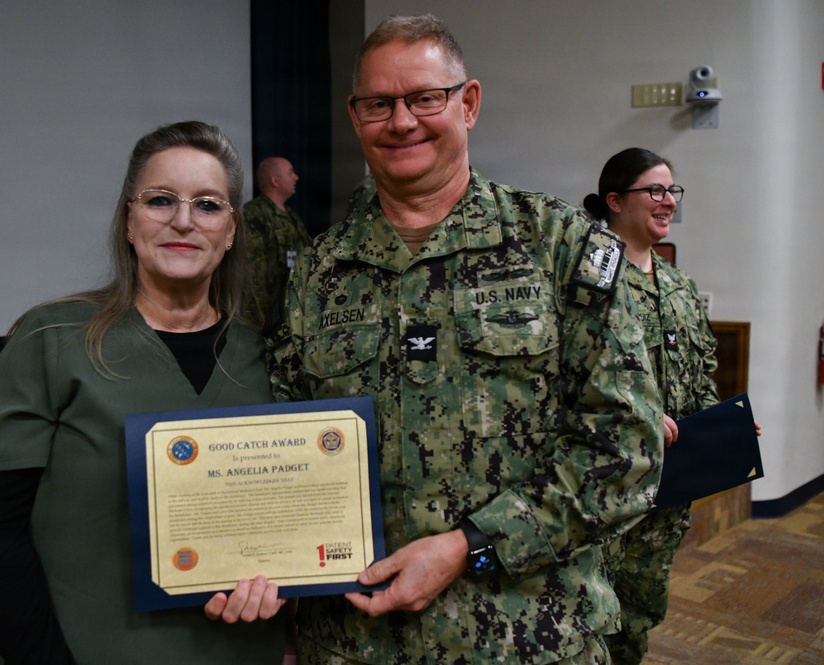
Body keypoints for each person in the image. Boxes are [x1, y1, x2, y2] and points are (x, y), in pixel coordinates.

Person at [266, 14, 664, 665]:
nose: (402, 121)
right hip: (355, 643)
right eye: (379, 104)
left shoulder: (558, 244)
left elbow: (628, 449)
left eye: (426, 97)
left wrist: (469, 542)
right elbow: (285, 440)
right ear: (354, 114)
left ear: (468, 102)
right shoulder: (317, 271)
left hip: (527, 637)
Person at [0, 121, 287, 665]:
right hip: (61, 648)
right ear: (129, 221)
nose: (183, 220)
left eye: (207, 205)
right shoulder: (51, 340)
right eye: (160, 200)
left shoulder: (267, 356)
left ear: (231, 230)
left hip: (229, 645)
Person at [582, 148, 720, 664]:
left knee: (639, 614)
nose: (667, 202)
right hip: (606, 488)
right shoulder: (590, 280)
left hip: (666, 492)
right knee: (593, 613)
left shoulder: (678, 285)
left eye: (672, 192)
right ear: (615, 201)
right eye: (655, 191)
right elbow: (570, 377)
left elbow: (701, 371)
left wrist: (720, 428)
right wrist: (637, 415)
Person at [242, 156, 312, 328]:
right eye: (290, 173)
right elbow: (253, 275)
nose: (296, 177)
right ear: (275, 181)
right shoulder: (254, 214)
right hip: (267, 316)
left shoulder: (291, 216)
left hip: (293, 310)